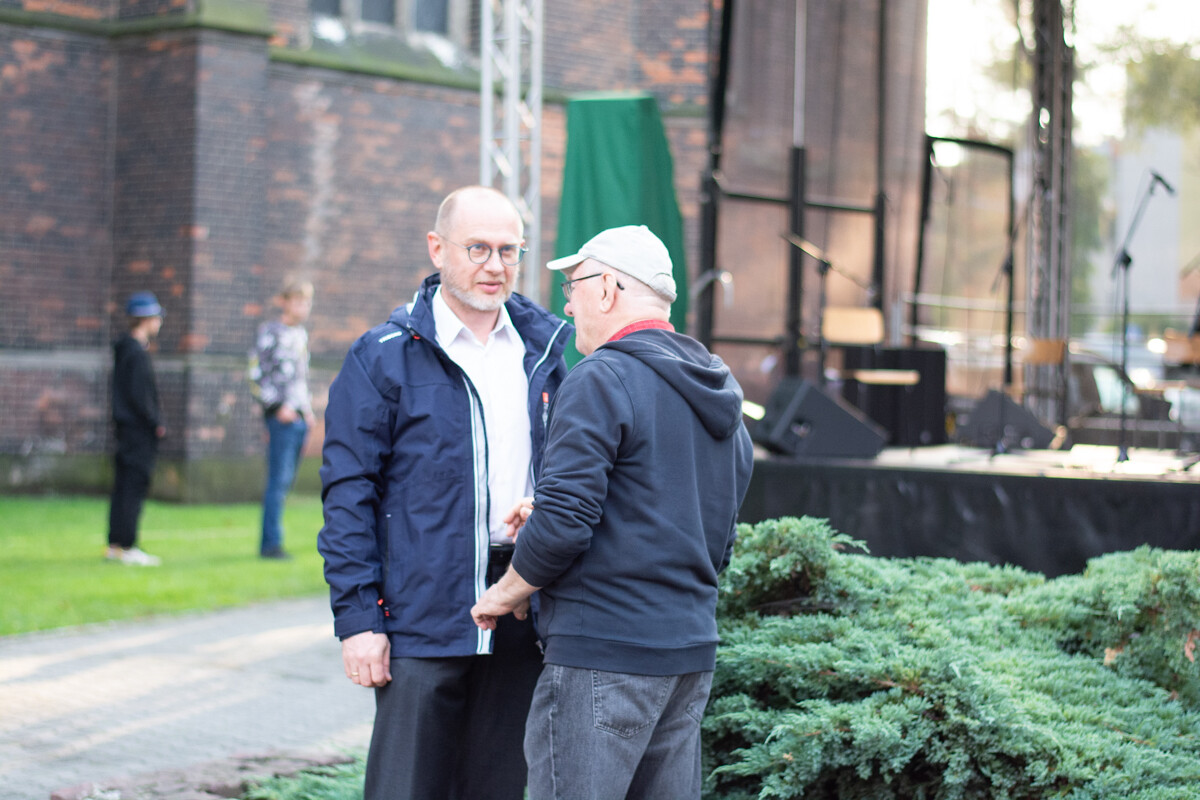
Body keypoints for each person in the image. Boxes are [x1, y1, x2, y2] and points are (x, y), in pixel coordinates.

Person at [471, 224, 755, 800]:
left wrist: (505, 591)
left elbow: (565, 522)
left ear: (606, 290)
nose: (567, 305)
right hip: (688, 657)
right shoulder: (718, 390)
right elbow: (710, 533)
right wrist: (553, 515)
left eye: (573, 287)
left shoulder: (601, 377)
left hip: (602, 654)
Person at [318, 186, 573, 800]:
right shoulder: (381, 357)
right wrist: (358, 621)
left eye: (509, 251)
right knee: (407, 787)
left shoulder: (545, 350)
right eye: (478, 248)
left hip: (522, 604)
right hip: (420, 609)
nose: (495, 266)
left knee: (502, 786)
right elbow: (348, 495)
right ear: (437, 249)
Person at [250, 277, 315, 559]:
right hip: (281, 419)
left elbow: (300, 378)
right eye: (298, 301)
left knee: (286, 482)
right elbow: (255, 374)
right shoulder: (271, 333)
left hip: (300, 418)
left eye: (307, 302)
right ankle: (270, 544)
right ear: (284, 302)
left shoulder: (301, 335)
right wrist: (276, 408)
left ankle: (274, 538)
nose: (303, 307)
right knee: (277, 482)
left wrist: (307, 410)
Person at [106, 291, 166, 567]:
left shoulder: (124, 350)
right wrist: (157, 423)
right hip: (138, 432)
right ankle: (128, 545)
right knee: (133, 486)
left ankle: (115, 544)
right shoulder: (136, 354)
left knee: (122, 487)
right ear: (146, 319)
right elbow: (141, 396)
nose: (159, 322)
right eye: (156, 317)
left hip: (125, 430)